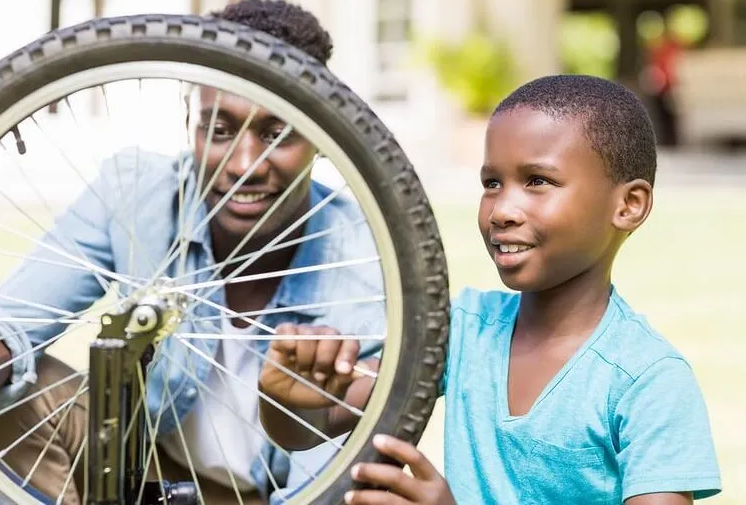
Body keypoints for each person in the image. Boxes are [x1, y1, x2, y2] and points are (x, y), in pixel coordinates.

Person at [0, 0, 384, 505]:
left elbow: (327, 475)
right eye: (218, 130)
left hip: (262, 498)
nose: (245, 163)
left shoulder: (372, 263)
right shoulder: (136, 192)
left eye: (276, 133)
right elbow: (11, 324)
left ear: (323, 132)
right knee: (15, 393)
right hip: (138, 468)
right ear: (189, 120)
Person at [258, 74, 722, 504]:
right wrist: (286, 395)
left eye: (537, 181)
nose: (501, 210)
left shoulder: (649, 381)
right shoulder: (464, 329)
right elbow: (310, 429)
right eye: (491, 183)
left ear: (629, 205)